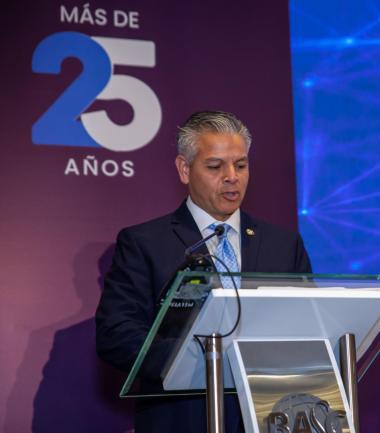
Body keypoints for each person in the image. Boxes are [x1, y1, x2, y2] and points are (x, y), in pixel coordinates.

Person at [95, 111, 312, 433]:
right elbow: (118, 334)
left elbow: (308, 326)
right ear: (185, 169)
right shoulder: (144, 242)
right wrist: (205, 361)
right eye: (215, 166)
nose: (231, 177)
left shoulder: (284, 244)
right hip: (184, 418)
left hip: (272, 416)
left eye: (241, 165)